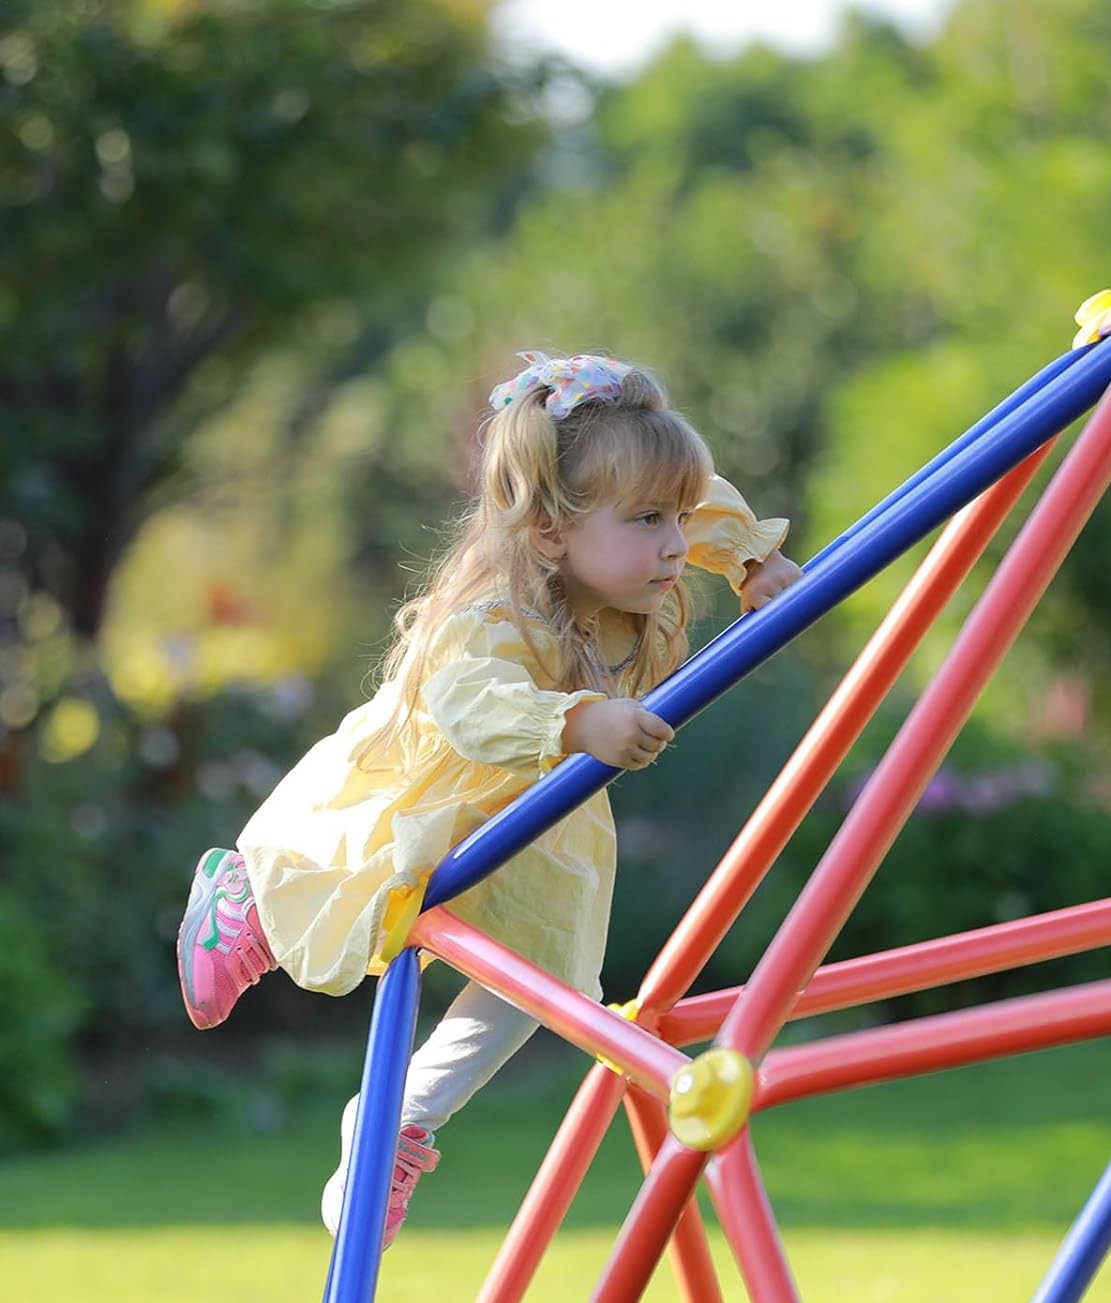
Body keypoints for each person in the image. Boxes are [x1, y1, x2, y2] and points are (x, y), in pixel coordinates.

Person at [174, 351, 801, 1246]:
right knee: (357, 888)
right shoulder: (490, 611)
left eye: (679, 518)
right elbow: (472, 708)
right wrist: (580, 722)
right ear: (551, 530)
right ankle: (246, 904)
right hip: (434, 783)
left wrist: (753, 561)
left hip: (538, 816)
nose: (674, 542)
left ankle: (400, 1120)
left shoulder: (628, 558)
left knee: (541, 973)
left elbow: (697, 498)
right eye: (648, 521)